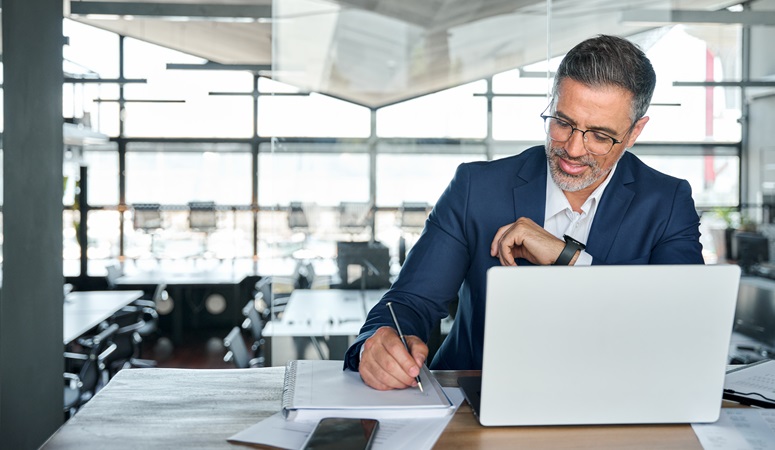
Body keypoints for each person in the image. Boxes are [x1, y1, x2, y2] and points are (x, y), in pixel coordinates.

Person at [344, 35, 704, 391]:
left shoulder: (667, 202)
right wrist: (376, 344)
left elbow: (680, 329)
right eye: (563, 122)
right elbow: (410, 301)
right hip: (471, 401)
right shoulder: (476, 188)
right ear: (552, 102)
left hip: (611, 402)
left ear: (635, 131)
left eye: (599, 135)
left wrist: (568, 258)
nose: (574, 149)